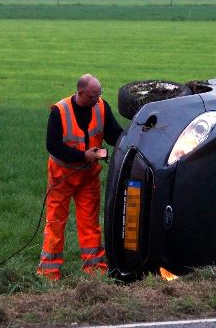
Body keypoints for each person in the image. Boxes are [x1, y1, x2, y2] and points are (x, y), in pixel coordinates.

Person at [37, 74, 124, 280]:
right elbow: (53, 145)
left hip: (88, 178)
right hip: (61, 178)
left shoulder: (101, 106)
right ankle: (49, 272)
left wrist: (131, 140)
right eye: (94, 96)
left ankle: (94, 271)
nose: (98, 100)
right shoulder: (60, 111)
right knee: (56, 222)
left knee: (90, 223)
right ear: (81, 93)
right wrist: (83, 156)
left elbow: (113, 134)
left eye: (99, 96)